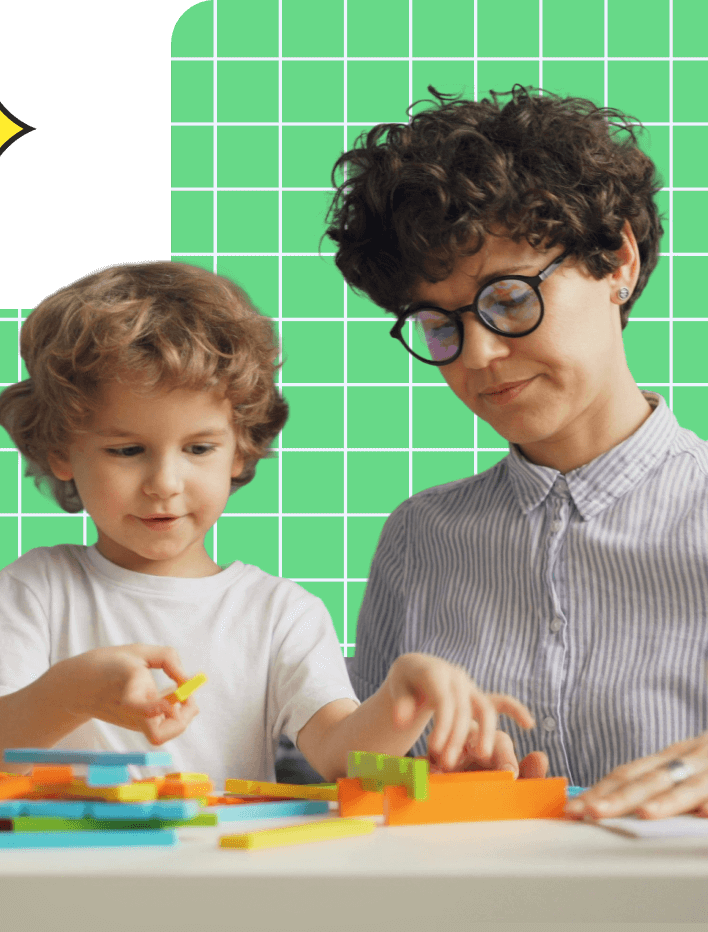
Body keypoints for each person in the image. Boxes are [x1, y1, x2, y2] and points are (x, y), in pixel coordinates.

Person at [0, 261, 537, 789]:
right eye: (127, 451)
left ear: (242, 451)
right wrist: (71, 692)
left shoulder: (280, 614)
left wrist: (401, 696)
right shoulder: (38, 588)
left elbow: (338, 755)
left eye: (198, 449)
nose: (165, 483)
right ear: (62, 452)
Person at [324, 85, 708, 819]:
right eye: (441, 325)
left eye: (508, 300)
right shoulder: (420, 538)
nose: (481, 355)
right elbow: (345, 771)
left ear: (617, 260)